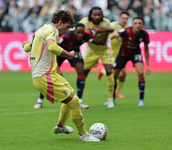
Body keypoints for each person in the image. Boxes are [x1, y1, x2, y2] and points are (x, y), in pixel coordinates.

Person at [22, 10, 100, 142]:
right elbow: (52, 46)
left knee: (71, 95)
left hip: (48, 74)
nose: (67, 30)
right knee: (75, 102)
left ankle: (60, 126)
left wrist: (26, 44)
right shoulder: (52, 30)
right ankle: (84, 135)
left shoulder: (40, 30)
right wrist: (68, 54)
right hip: (44, 76)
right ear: (60, 22)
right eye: (67, 26)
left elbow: (27, 48)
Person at [34, 23, 114, 109]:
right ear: (74, 31)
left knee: (81, 71)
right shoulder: (66, 37)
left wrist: (109, 30)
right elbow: (53, 48)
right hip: (59, 52)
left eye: (82, 33)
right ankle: (40, 100)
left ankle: (79, 100)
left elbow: (98, 30)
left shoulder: (87, 34)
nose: (80, 35)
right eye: (78, 32)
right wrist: (57, 68)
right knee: (51, 75)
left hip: (74, 52)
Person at [109, 16, 151, 106]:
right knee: (114, 76)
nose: (137, 25)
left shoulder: (144, 34)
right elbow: (114, 35)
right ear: (132, 24)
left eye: (139, 23)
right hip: (123, 54)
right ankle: (112, 99)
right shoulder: (126, 31)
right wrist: (110, 39)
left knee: (140, 73)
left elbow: (146, 49)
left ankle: (141, 100)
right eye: (135, 23)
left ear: (142, 24)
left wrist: (147, 65)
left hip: (135, 54)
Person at [79, 6, 115, 108]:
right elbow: (77, 33)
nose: (97, 16)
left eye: (99, 14)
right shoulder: (84, 22)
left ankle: (110, 99)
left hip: (104, 50)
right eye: (95, 15)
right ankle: (79, 99)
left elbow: (103, 42)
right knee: (82, 74)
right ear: (90, 15)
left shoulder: (106, 23)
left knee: (109, 71)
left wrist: (88, 38)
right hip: (91, 51)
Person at [97, 11, 129, 102]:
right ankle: (113, 93)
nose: (125, 20)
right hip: (111, 53)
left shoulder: (128, 28)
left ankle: (117, 91)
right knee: (113, 73)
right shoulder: (113, 26)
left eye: (126, 18)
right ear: (119, 18)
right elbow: (107, 35)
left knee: (123, 74)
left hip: (120, 54)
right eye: (123, 18)